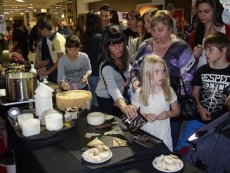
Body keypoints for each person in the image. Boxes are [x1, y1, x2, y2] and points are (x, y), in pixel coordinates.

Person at [130, 10, 196, 150]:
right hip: (147, 95)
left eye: (160, 30)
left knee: (169, 136)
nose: (155, 34)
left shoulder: (181, 47)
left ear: (170, 29)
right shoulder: (146, 45)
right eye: (153, 30)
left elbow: (189, 78)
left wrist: (172, 99)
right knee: (146, 138)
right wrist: (136, 80)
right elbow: (136, 68)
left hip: (170, 100)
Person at [176, 32, 230, 151]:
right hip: (198, 120)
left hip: (221, 123)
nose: (206, 53)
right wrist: (200, 108)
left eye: (210, 49)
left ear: (224, 50)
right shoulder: (202, 70)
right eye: (206, 49)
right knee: (183, 146)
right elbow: (194, 93)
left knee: (214, 153)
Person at [131, 55, 180, 151]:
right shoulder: (140, 92)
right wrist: (145, 115)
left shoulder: (168, 91)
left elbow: (176, 110)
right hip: (145, 134)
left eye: (163, 71)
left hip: (163, 135)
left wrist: (168, 113)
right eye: (156, 72)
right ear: (147, 73)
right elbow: (133, 115)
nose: (161, 75)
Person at [95, 26, 136, 117]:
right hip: (105, 97)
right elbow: (112, 88)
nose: (118, 48)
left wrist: (128, 75)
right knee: (110, 123)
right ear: (107, 47)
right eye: (113, 45)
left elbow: (128, 66)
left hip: (120, 96)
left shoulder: (126, 51)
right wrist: (124, 107)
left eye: (120, 42)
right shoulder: (106, 66)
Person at [190, 0, 230, 68]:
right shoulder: (194, 35)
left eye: (206, 11)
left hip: (224, 75)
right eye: (199, 12)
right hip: (200, 74)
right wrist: (194, 55)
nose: (202, 15)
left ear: (215, 11)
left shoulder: (228, 30)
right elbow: (189, 62)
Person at [80, 11, 104, 106]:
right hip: (99, 72)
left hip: (86, 73)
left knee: (89, 100)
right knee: (98, 102)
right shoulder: (100, 37)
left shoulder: (82, 36)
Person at [36, 14, 66, 83]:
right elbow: (54, 55)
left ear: (45, 30)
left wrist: (47, 72)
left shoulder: (58, 39)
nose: (41, 33)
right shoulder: (48, 39)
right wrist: (47, 61)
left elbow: (60, 60)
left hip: (60, 72)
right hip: (54, 70)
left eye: (40, 31)